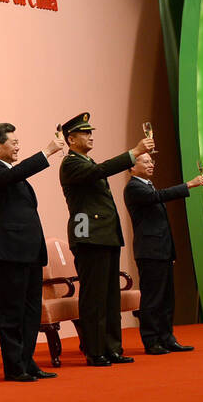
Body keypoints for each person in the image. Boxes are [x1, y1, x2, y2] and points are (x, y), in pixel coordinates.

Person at [58, 112, 154, 367]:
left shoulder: (86, 161)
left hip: (105, 235)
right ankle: (95, 350)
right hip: (89, 236)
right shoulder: (71, 163)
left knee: (110, 295)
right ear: (71, 139)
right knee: (94, 296)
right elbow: (101, 171)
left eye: (91, 132)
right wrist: (133, 152)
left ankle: (112, 347)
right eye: (85, 132)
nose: (90, 136)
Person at [0, 122, 65, 382]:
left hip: (29, 252)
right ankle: (14, 366)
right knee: (12, 311)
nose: (18, 146)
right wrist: (47, 152)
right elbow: (13, 175)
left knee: (31, 311)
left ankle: (27, 361)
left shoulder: (12, 173)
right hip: (10, 253)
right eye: (13, 142)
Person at [124, 153, 203, 354]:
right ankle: (151, 340)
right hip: (149, 252)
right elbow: (158, 197)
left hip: (162, 251)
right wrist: (189, 184)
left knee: (167, 298)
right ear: (132, 168)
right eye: (145, 161)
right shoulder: (134, 187)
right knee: (153, 298)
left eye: (152, 161)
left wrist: (171, 251)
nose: (151, 164)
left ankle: (167, 337)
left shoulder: (148, 185)